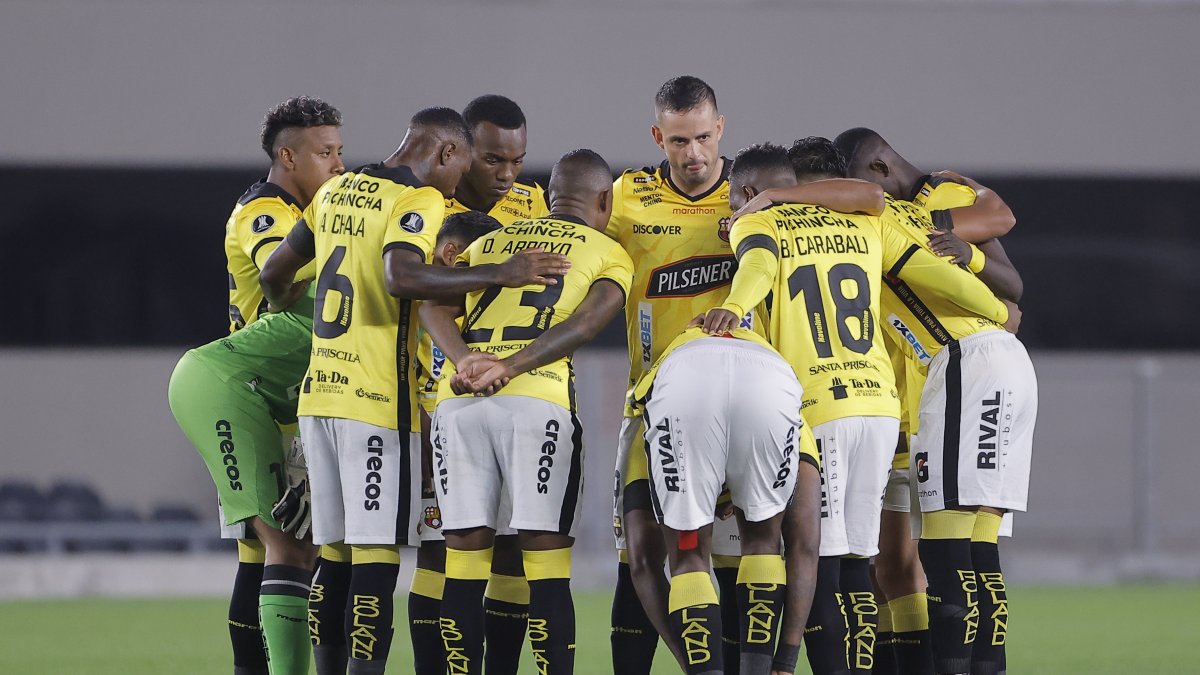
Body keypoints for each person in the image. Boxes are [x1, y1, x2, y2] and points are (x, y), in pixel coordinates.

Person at [260, 107, 569, 675]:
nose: (461, 185)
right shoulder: (419, 201)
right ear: (449, 153)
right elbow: (401, 278)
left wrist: (288, 311)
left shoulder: (337, 190)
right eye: (468, 166)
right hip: (377, 401)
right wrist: (501, 272)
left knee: (333, 555)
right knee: (378, 561)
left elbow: (273, 274)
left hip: (320, 395)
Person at [606, 75, 885, 674]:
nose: (694, 153)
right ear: (658, 136)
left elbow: (861, 198)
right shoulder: (627, 199)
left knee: (731, 559)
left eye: (704, 137)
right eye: (679, 141)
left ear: (721, 129)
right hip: (661, 398)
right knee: (642, 560)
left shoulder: (754, 191)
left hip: (747, 390)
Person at [705, 141, 1015, 675]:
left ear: (751, 193)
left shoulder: (758, 224)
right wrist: (995, 308)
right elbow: (933, 271)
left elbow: (756, 268)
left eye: (734, 198)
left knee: (820, 568)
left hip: (819, 407)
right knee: (859, 566)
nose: (731, 209)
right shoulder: (867, 222)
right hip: (877, 407)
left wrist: (732, 307)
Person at [420, 149, 633, 675]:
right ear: (603, 200)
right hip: (536, 403)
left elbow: (430, 301)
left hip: (460, 405)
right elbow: (584, 326)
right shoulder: (608, 251)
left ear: (550, 193)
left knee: (464, 566)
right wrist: (510, 367)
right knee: (547, 570)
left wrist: (466, 358)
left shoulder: (493, 238)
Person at [835, 128, 1036, 675]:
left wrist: (970, 256)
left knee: (941, 558)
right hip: (932, 394)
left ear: (875, 171)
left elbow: (1011, 287)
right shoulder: (915, 214)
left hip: (955, 379)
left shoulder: (923, 208)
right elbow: (1001, 227)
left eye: (852, 187)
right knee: (966, 556)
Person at [175, 95, 343, 675]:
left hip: (283, 394)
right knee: (285, 547)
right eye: (326, 153)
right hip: (252, 389)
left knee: (270, 555)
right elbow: (282, 275)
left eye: (340, 152)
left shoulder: (312, 211)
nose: (338, 166)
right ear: (288, 156)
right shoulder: (265, 209)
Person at [409, 94, 549, 675]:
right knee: (441, 546)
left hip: (514, 397)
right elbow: (412, 290)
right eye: (493, 160)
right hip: (434, 397)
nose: (507, 175)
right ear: (461, 153)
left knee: (511, 552)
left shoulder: (532, 205)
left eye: (516, 161)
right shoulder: (422, 208)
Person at [632, 320, 822, 675]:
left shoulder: (669, 360)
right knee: (764, 542)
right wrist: (786, 660)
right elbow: (806, 545)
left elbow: (642, 560)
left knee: (688, 555)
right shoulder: (768, 354)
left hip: (684, 380)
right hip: (768, 378)